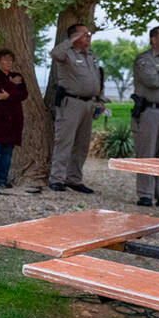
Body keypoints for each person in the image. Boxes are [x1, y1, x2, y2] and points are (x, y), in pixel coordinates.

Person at [48, 23, 103, 193]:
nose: (88, 36)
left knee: (82, 144)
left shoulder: (91, 55)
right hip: (71, 103)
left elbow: (97, 78)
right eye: (84, 34)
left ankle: (74, 179)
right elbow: (55, 53)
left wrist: (100, 99)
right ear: (74, 36)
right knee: (64, 141)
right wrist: (71, 41)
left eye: (89, 34)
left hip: (89, 104)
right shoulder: (67, 54)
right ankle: (57, 179)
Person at [131, 26, 159, 207]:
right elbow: (152, 81)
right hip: (150, 111)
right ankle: (145, 194)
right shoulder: (145, 60)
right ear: (153, 39)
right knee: (147, 153)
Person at [0, 48, 28, 191]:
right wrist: (12, 85)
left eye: (10, 60)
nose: (8, 62)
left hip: (13, 120)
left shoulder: (17, 76)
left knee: (8, 151)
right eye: (5, 59)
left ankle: (3, 179)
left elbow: (23, 94)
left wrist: (8, 95)